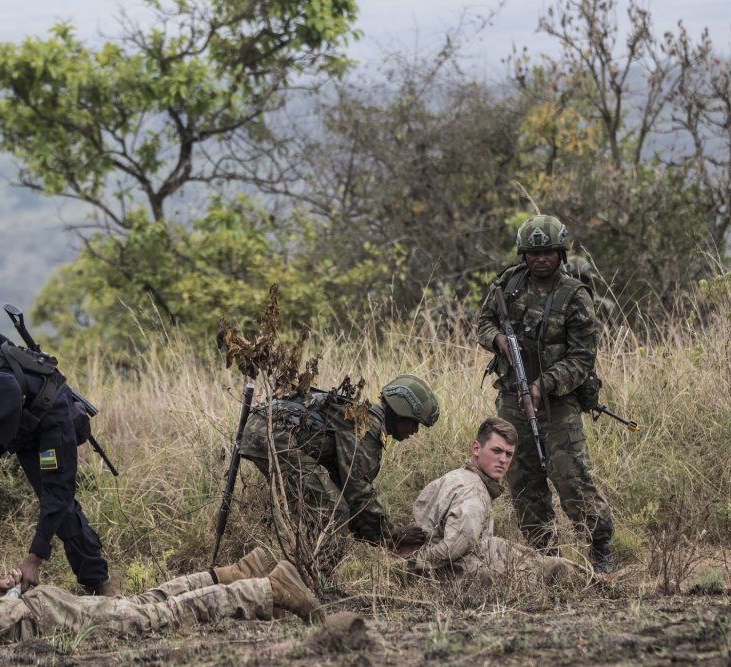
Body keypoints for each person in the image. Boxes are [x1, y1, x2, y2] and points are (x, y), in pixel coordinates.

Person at [0, 547, 322, 651]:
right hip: (34, 607)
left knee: (152, 621)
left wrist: (12, 598)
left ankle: (268, 589)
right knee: (139, 606)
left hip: (38, 617)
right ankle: (236, 573)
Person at [0, 325, 113, 596]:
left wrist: (35, 558)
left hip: (34, 432)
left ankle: (98, 582)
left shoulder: (53, 409)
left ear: (22, 399)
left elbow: (58, 491)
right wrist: (13, 353)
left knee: (62, 511)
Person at [476, 215, 615, 573]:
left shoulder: (575, 295)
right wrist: (497, 339)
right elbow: (483, 322)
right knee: (522, 480)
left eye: (548, 253)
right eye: (533, 253)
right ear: (524, 255)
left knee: (571, 477)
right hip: (513, 399)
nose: (540, 259)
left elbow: (582, 358)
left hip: (559, 402)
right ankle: (545, 557)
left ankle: (599, 549)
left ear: (560, 254)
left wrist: (543, 384)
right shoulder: (509, 283)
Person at [239, 374, 440, 556]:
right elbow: (357, 491)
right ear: (399, 413)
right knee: (333, 511)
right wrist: (392, 532)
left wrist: (383, 537)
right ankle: (316, 577)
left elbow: (347, 493)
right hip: (272, 434)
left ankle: (306, 570)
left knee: (330, 505)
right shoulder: (368, 428)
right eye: (414, 422)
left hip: (268, 430)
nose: (415, 430)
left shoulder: (366, 419)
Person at [409, 417, 591, 585]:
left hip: (441, 557)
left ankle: (591, 579)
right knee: (548, 571)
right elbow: (452, 548)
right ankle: (595, 583)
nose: (503, 460)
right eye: (496, 451)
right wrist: (415, 564)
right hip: (451, 573)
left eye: (509, 454)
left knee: (520, 553)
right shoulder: (473, 493)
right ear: (476, 448)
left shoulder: (454, 476)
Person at [566, 256, 622, 334]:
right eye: (575, 278)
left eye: (579, 278)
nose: (577, 281)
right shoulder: (606, 304)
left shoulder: (605, 305)